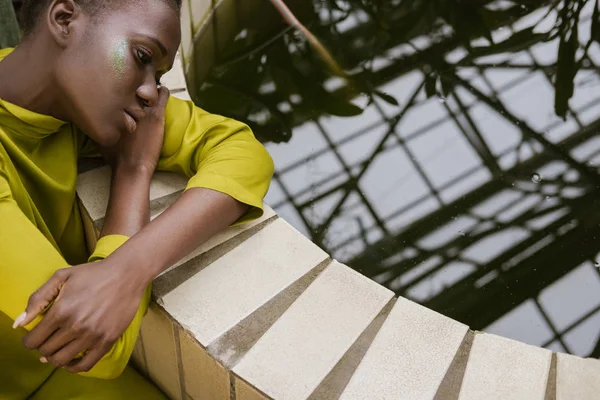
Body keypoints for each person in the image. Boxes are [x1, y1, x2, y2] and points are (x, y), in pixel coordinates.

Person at [0, 0, 274, 398]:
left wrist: (127, 269)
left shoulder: (62, 97)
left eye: (160, 75)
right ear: (63, 19)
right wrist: (133, 175)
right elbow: (91, 348)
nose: (150, 90)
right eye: (142, 56)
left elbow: (241, 150)